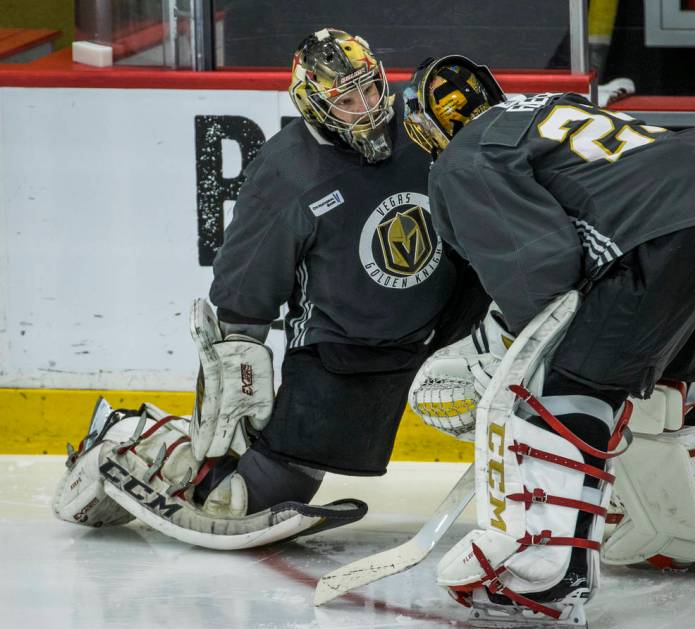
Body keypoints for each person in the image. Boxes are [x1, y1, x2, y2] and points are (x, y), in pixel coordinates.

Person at [52, 31, 488, 549]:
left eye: (370, 91)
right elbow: (246, 284)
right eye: (346, 101)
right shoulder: (286, 171)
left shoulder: (424, 123)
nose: (367, 109)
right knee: (245, 501)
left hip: (451, 323)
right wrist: (239, 365)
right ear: (314, 105)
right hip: (347, 351)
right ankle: (133, 443)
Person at [403, 55, 695, 627]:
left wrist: (515, 349)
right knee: (665, 382)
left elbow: (543, 271)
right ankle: (692, 532)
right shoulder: (553, 108)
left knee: (567, 388)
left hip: (665, 230)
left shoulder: (463, 156)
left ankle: (540, 575)